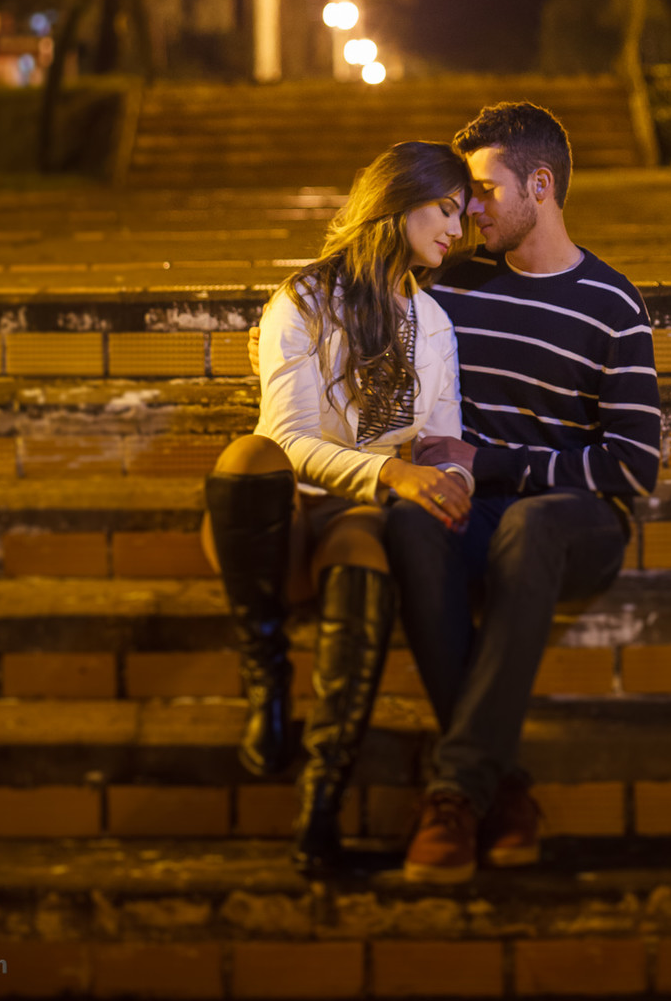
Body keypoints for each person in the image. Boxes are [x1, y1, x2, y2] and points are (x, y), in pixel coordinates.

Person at [389, 101, 661, 883]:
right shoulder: (455, 288)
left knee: (529, 527)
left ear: (539, 185)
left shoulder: (611, 303)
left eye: (482, 190)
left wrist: (499, 463)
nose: (467, 209)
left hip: (573, 528)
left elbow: (632, 467)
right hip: (475, 510)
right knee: (409, 527)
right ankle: (496, 789)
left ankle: (451, 792)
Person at [201, 140, 474, 874]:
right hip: (282, 515)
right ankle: (265, 672)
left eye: (464, 215)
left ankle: (318, 811)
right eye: (444, 209)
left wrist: (452, 482)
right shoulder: (304, 300)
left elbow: (445, 441)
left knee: (365, 552)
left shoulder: (435, 325)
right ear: (397, 201)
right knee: (246, 456)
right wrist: (391, 472)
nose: (457, 228)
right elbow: (286, 441)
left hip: (357, 518)